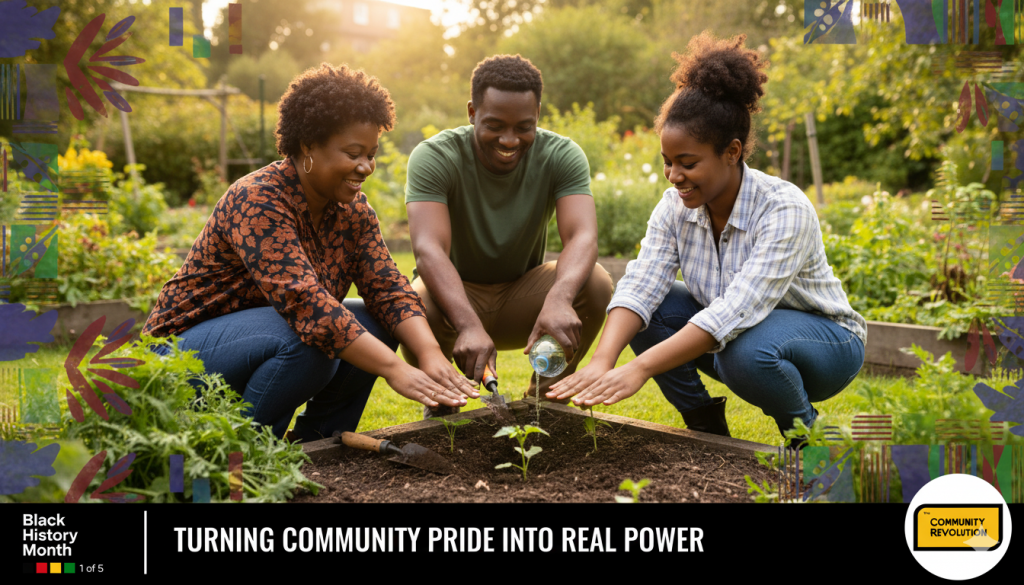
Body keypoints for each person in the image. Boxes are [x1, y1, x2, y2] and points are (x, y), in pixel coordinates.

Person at [546, 33, 867, 445]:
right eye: (667, 162)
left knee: (745, 351)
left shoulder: (784, 208)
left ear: (732, 152)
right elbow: (641, 283)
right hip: (738, 337)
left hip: (826, 344)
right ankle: (706, 430)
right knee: (649, 311)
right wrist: (603, 362)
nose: (673, 176)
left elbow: (736, 311)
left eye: (688, 163)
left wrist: (639, 369)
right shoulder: (674, 206)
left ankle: (808, 437)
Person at [143, 63, 477, 441]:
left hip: (259, 340)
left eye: (372, 153)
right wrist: (394, 369)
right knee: (307, 337)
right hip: (175, 358)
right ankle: (247, 451)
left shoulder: (353, 213)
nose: (366, 167)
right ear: (307, 146)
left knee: (374, 320)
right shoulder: (258, 199)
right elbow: (305, 304)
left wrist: (430, 353)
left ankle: (318, 445)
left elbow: (388, 289)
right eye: (353, 153)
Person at [403, 54, 614, 416]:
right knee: (412, 303)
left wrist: (560, 297)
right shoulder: (435, 156)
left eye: (523, 127)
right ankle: (442, 405)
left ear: (538, 115)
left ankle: (546, 403)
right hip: (454, 301)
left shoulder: (561, 155)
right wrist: (468, 324)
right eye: (495, 124)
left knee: (594, 283)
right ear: (472, 112)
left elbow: (583, 236)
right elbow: (428, 250)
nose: (509, 139)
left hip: (525, 301)